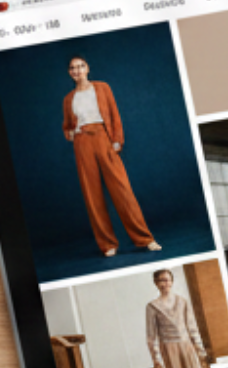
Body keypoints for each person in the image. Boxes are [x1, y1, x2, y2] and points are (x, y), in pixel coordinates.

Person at [61, 54, 163, 259]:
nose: (77, 70)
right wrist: (71, 133)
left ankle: (145, 239)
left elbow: (114, 114)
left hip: (103, 137)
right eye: (73, 68)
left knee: (122, 189)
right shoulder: (68, 98)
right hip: (82, 143)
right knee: (92, 194)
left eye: (81, 66)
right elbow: (67, 125)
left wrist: (117, 139)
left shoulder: (103, 87)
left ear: (88, 68)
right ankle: (107, 244)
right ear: (69, 73)